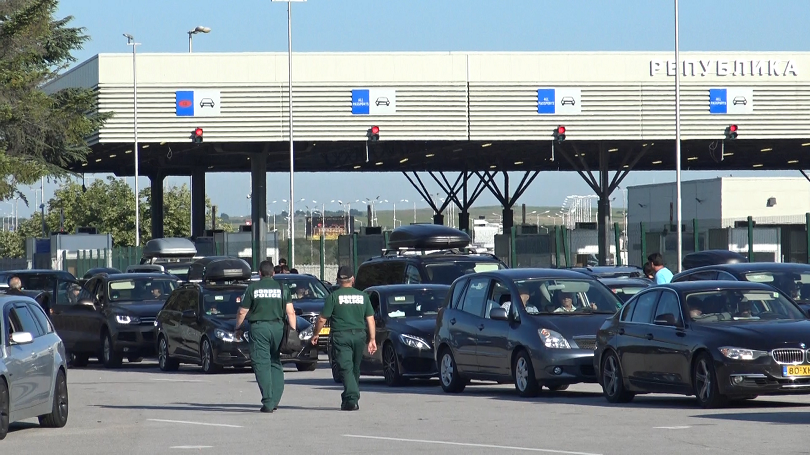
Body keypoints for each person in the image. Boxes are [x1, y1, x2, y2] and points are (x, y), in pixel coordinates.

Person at [311, 266, 377, 411]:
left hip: (341, 335)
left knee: (345, 367)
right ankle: (349, 400)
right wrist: (372, 339)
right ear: (352, 279)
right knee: (354, 367)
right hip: (360, 335)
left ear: (338, 280)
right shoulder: (363, 296)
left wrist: (316, 334)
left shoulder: (334, 296)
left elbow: (322, 318)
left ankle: (353, 396)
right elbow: (370, 319)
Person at [234, 260, 295, 413]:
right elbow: (291, 312)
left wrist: (238, 328)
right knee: (275, 362)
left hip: (259, 328)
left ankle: (268, 401)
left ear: (259, 273)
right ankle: (275, 399)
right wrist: (293, 332)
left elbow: (242, 311)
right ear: (273, 273)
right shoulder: (282, 288)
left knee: (261, 363)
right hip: (278, 328)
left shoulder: (253, 288)